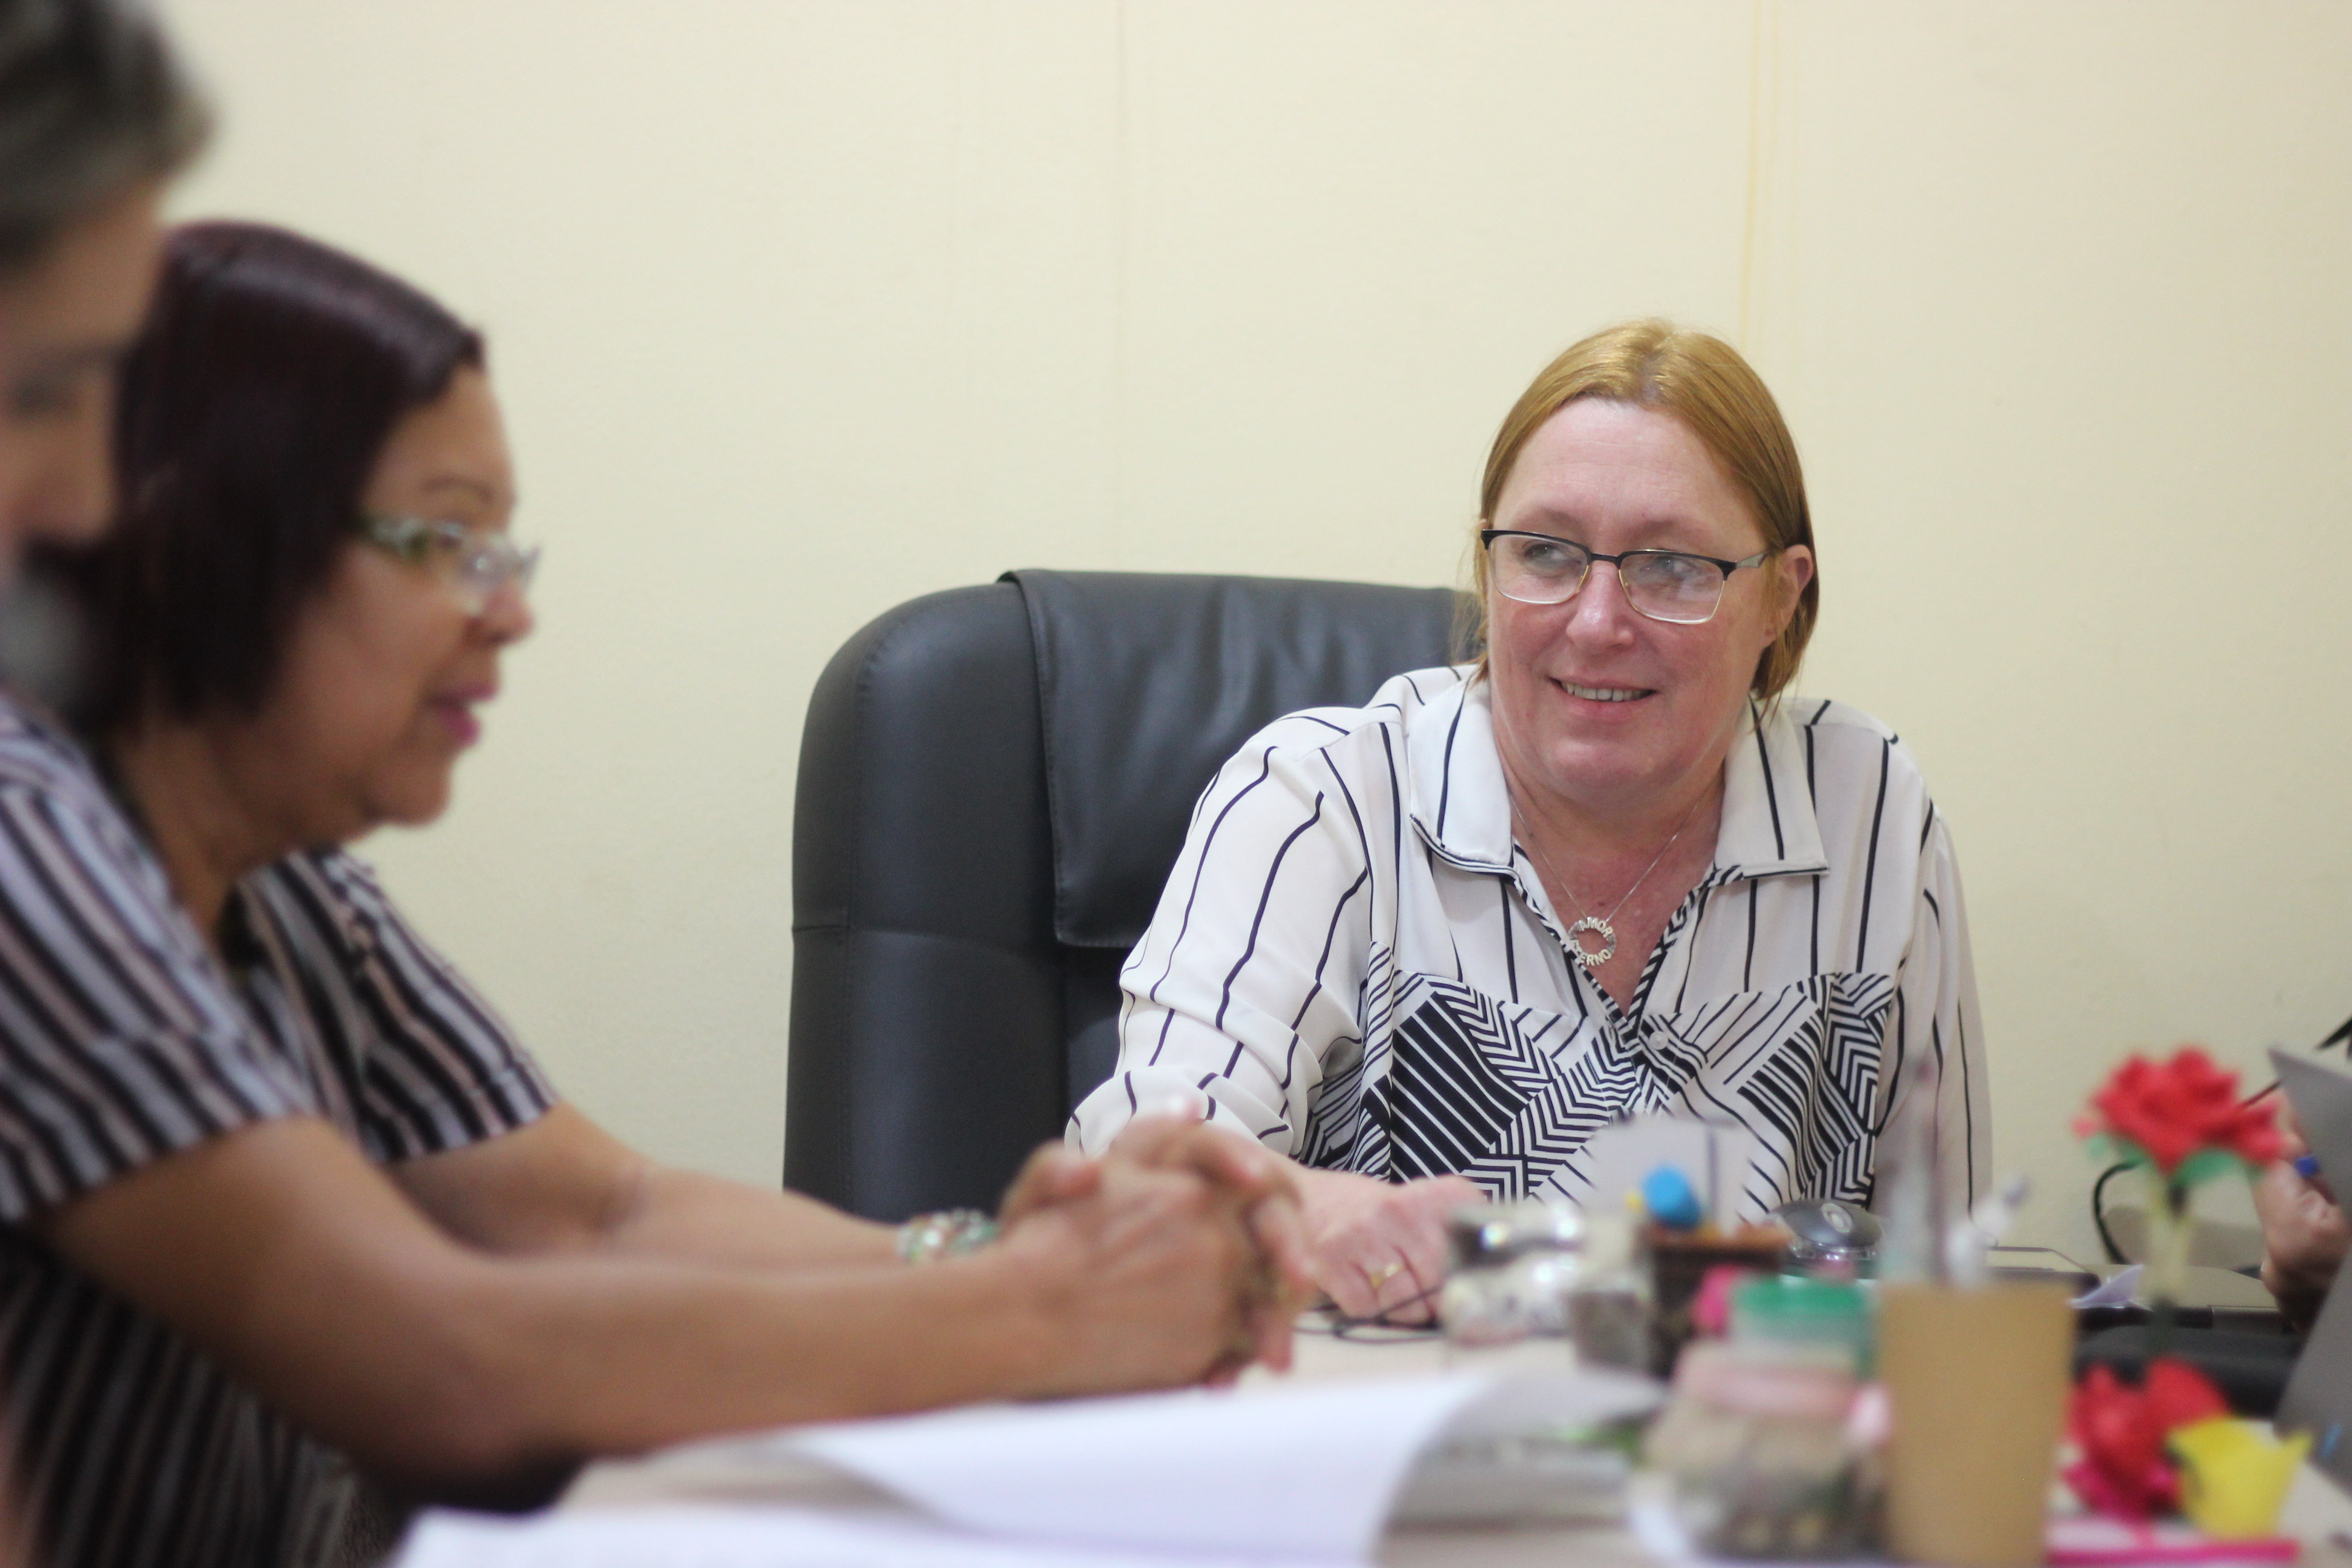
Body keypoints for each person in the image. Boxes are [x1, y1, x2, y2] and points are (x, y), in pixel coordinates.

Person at [1, 220, 1307, 1568]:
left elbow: (599, 1214)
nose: (508, 614)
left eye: (509, 556)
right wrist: (1050, 1312)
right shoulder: (27, 848)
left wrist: (999, 1253)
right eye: (448, 540)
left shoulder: (283, 889)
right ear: (187, 529)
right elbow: (440, 1361)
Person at [1071, 319, 1990, 1321]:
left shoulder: (1871, 810)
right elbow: (1137, 1179)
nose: (1597, 622)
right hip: (1380, 1453)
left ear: (1779, 596)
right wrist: (1304, 1208)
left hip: (1740, 1456)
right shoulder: (1322, 797)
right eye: (1547, 554)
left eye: (1673, 566)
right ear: (1488, 566)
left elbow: (1952, 1263)